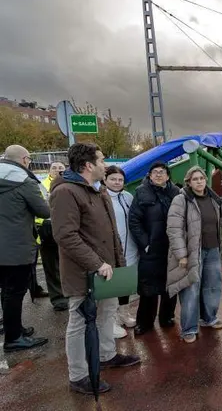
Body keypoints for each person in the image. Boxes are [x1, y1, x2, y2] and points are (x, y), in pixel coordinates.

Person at [49, 143, 140, 395]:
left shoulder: (97, 191)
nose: (104, 164)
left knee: (107, 314)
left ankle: (106, 355)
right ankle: (78, 375)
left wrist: (117, 264)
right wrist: (96, 264)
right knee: (79, 323)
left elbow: (110, 233)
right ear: (88, 165)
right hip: (85, 273)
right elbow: (65, 236)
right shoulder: (66, 192)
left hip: (106, 271)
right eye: (101, 160)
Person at [166, 166, 222, 343]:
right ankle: (189, 328)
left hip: (213, 249)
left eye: (201, 178)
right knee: (191, 289)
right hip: (192, 252)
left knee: (212, 286)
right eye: (195, 179)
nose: (199, 181)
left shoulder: (213, 198)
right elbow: (174, 229)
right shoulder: (181, 200)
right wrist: (182, 255)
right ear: (189, 182)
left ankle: (209, 318)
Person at [0, 145, 50, 351]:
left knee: (6, 290)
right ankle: (13, 338)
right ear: (24, 159)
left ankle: (15, 328)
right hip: (16, 246)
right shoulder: (23, 181)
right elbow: (44, 211)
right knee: (14, 291)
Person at [129, 161, 180, 336]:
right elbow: (134, 221)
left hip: (172, 246)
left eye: (162, 172)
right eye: (155, 172)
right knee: (148, 287)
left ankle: (167, 317)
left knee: (170, 284)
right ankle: (144, 322)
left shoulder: (176, 192)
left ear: (168, 176)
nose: (159, 175)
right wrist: (145, 242)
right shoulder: (141, 193)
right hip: (152, 247)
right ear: (150, 175)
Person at [104, 166, 139, 339]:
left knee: (126, 284)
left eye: (120, 180)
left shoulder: (128, 197)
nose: (117, 183)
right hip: (112, 249)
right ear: (105, 180)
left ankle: (124, 313)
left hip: (130, 247)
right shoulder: (102, 198)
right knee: (111, 286)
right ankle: (110, 321)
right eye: (113, 179)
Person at [34, 161, 68, 311]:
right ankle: (58, 298)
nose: (57, 170)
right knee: (51, 265)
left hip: (67, 226)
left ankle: (70, 294)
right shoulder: (41, 185)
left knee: (67, 263)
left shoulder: (70, 183)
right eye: (54, 168)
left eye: (61, 168)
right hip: (47, 227)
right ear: (49, 171)